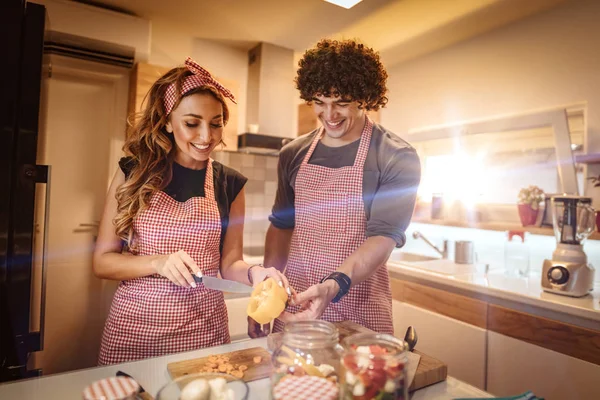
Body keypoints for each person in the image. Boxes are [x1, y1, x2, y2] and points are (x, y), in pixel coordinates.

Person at [94, 57, 289, 365]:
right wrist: (157, 262)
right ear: (168, 122)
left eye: (215, 124)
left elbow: (230, 264)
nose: (206, 137)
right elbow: (103, 262)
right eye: (191, 123)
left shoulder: (230, 184)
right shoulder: (133, 172)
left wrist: (256, 273)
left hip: (203, 333)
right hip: (134, 332)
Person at [248, 39, 421, 338]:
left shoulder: (395, 156)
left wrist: (333, 285)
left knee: (361, 384)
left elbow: (383, 237)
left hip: (359, 307)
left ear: (364, 96)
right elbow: (281, 226)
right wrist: (266, 294)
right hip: (296, 305)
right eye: (319, 101)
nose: (329, 114)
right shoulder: (293, 153)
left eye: (341, 102)